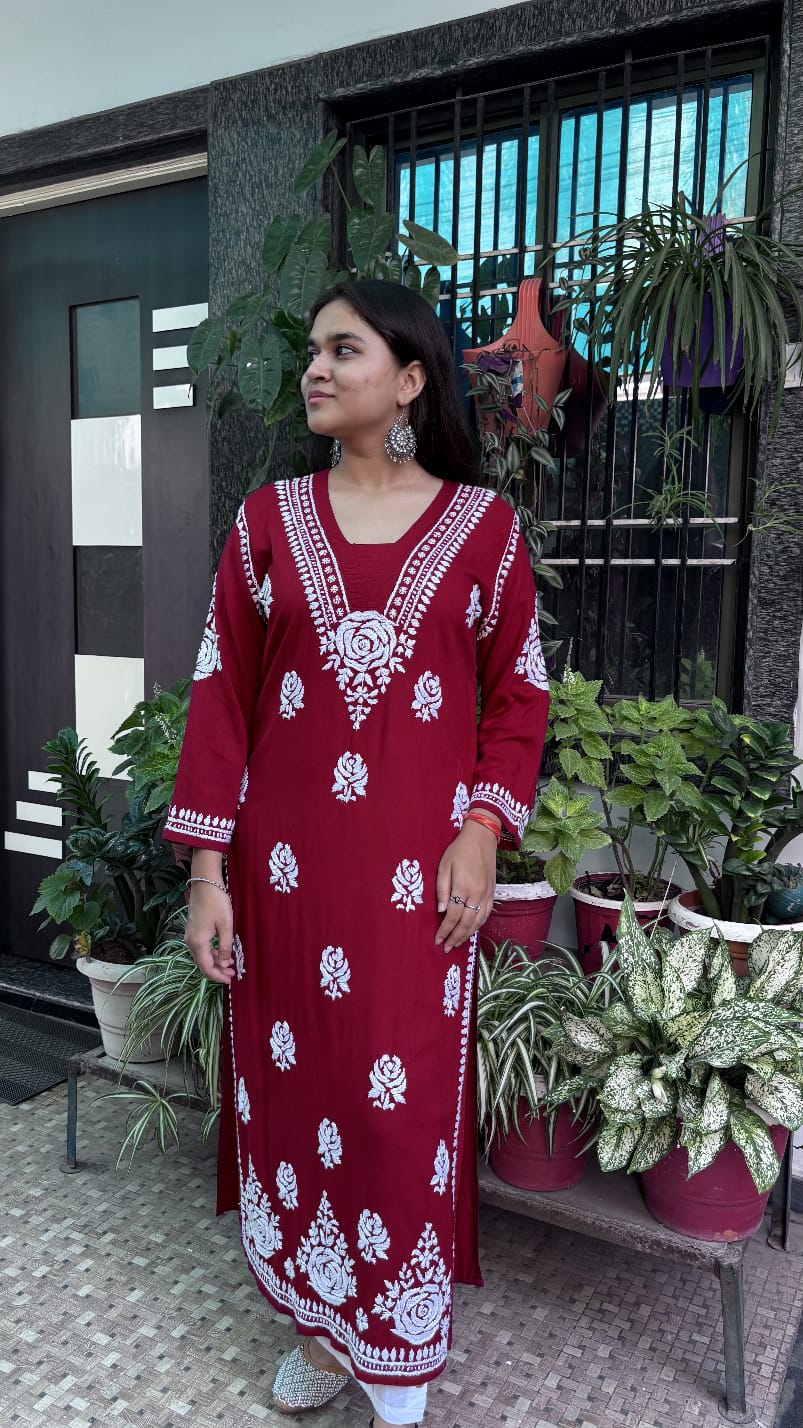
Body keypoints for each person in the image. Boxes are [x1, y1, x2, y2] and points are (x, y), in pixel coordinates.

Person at [164, 278, 549, 1427]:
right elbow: (219, 698)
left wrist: (483, 829)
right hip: (284, 885)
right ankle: (325, 1334)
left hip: (414, 888)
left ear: (411, 379)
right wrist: (205, 873)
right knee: (299, 1090)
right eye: (313, 353)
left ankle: (399, 1349)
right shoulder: (266, 524)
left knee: (393, 1107)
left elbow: (516, 699)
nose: (316, 370)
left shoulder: (482, 532)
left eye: (345, 350)